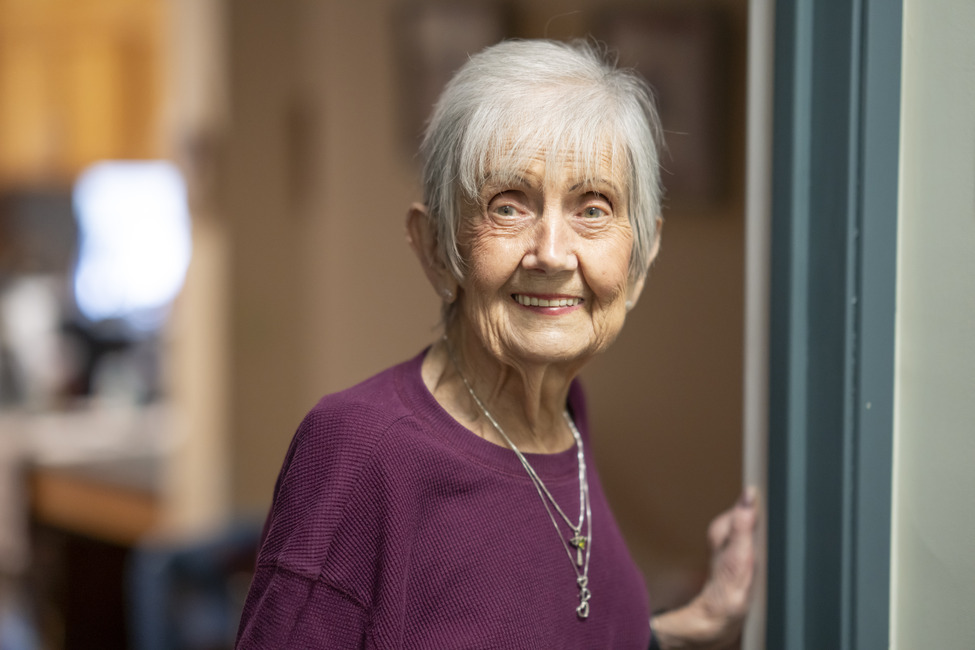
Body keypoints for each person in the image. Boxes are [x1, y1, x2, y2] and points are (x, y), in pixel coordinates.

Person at [236, 39, 758, 649]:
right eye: (508, 207)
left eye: (593, 208)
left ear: (640, 258)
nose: (553, 254)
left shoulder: (564, 416)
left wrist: (697, 623)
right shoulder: (358, 451)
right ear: (436, 248)